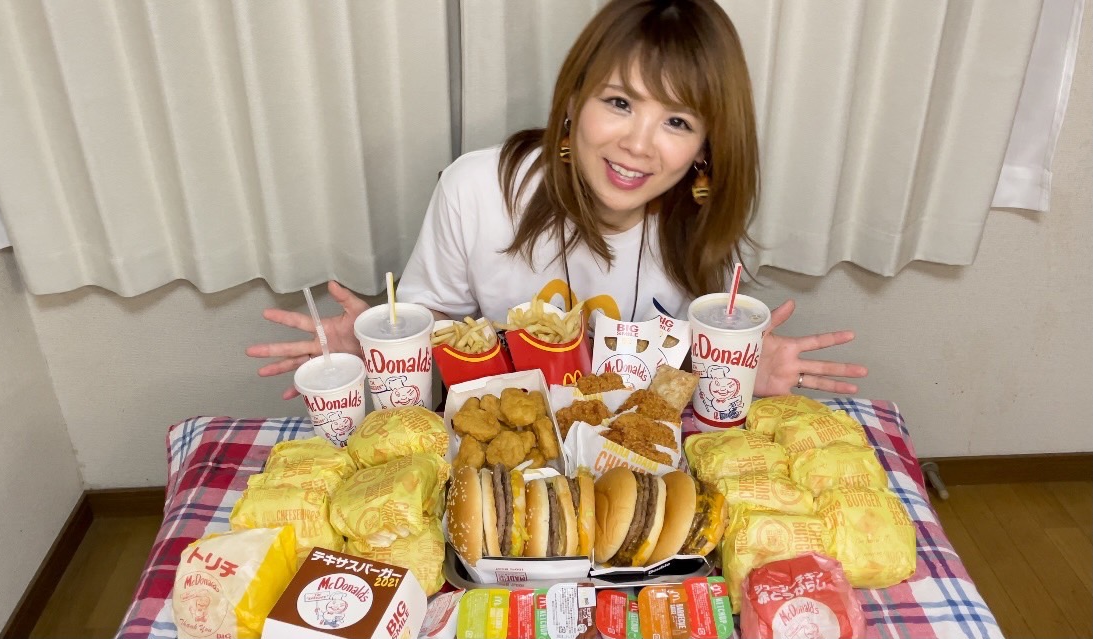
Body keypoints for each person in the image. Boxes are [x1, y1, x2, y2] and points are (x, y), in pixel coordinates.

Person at [247, 0, 867, 400]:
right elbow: (434, 329)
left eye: (677, 122)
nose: (638, 145)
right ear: (573, 100)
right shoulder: (477, 189)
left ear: (705, 146)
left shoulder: (701, 214)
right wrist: (386, 347)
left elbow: (677, 372)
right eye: (619, 102)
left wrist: (732, 370)